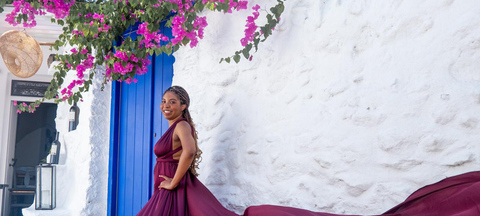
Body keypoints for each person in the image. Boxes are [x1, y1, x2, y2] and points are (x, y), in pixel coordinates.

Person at [137, 86, 480, 216]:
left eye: (173, 102)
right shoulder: (172, 126)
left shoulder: (181, 126)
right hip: (171, 186)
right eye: (163, 102)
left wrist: (173, 182)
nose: (166, 106)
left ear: (184, 105)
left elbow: (189, 152)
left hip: (177, 187)